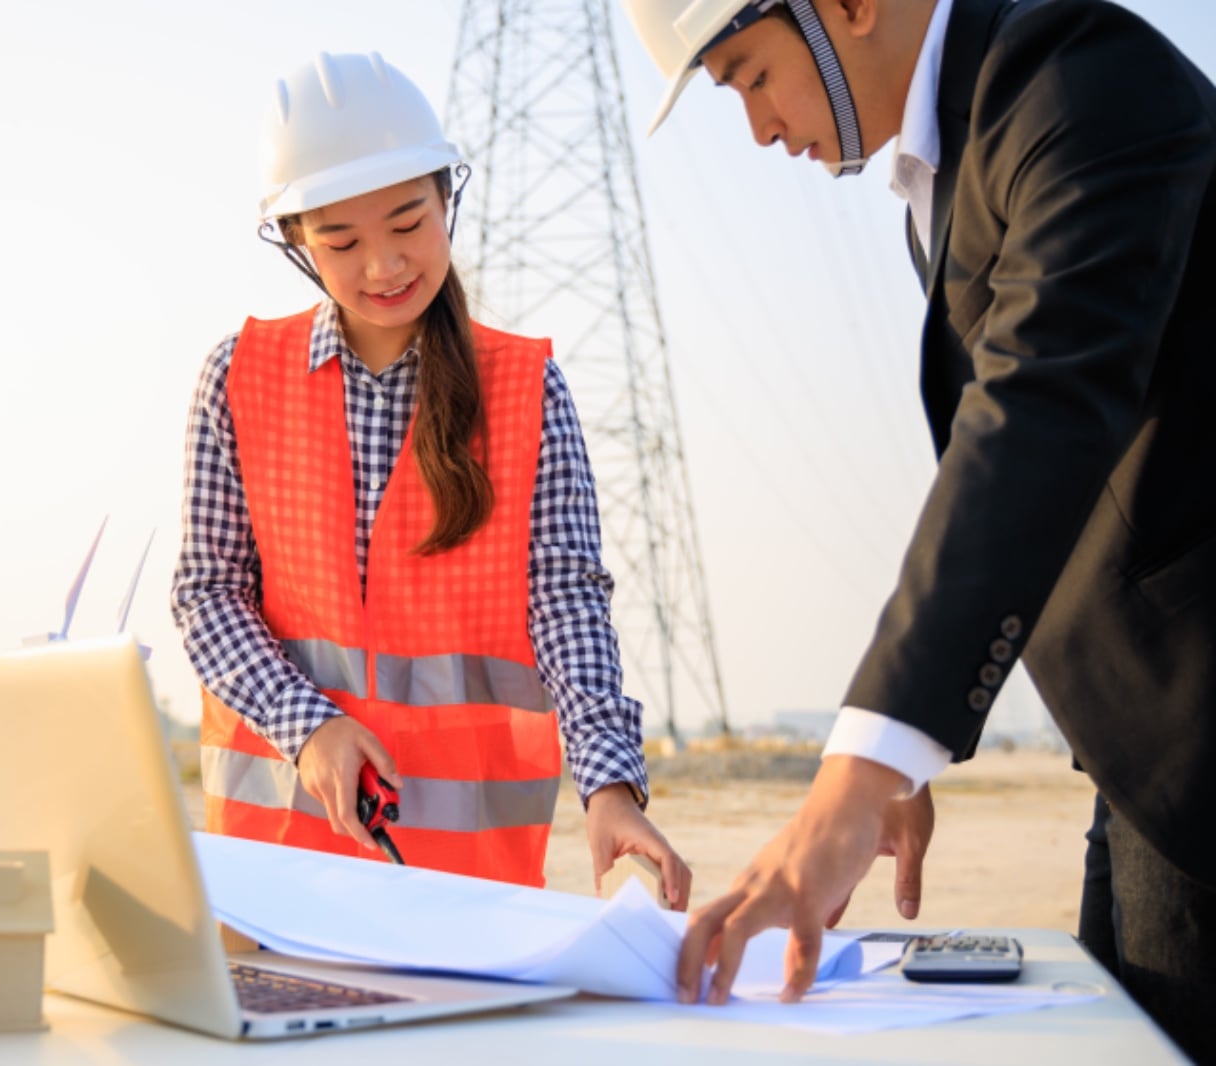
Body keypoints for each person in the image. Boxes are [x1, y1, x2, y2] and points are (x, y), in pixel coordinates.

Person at [624, 0, 1216, 1058]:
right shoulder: (947, 167)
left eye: (750, 76)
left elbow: (1037, 420)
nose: (759, 129)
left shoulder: (1081, 85)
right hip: (1134, 745)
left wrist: (859, 772)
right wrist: (906, 755)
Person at [171, 51, 688, 900]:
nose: (384, 265)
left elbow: (566, 603)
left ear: (448, 198)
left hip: (466, 887)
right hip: (278, 875)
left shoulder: (523, 392)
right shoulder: (238, 378)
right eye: (341, 240)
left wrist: (610, 787)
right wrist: (310, 730)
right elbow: (208, 595)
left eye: (409, 224)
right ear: (298, 243)